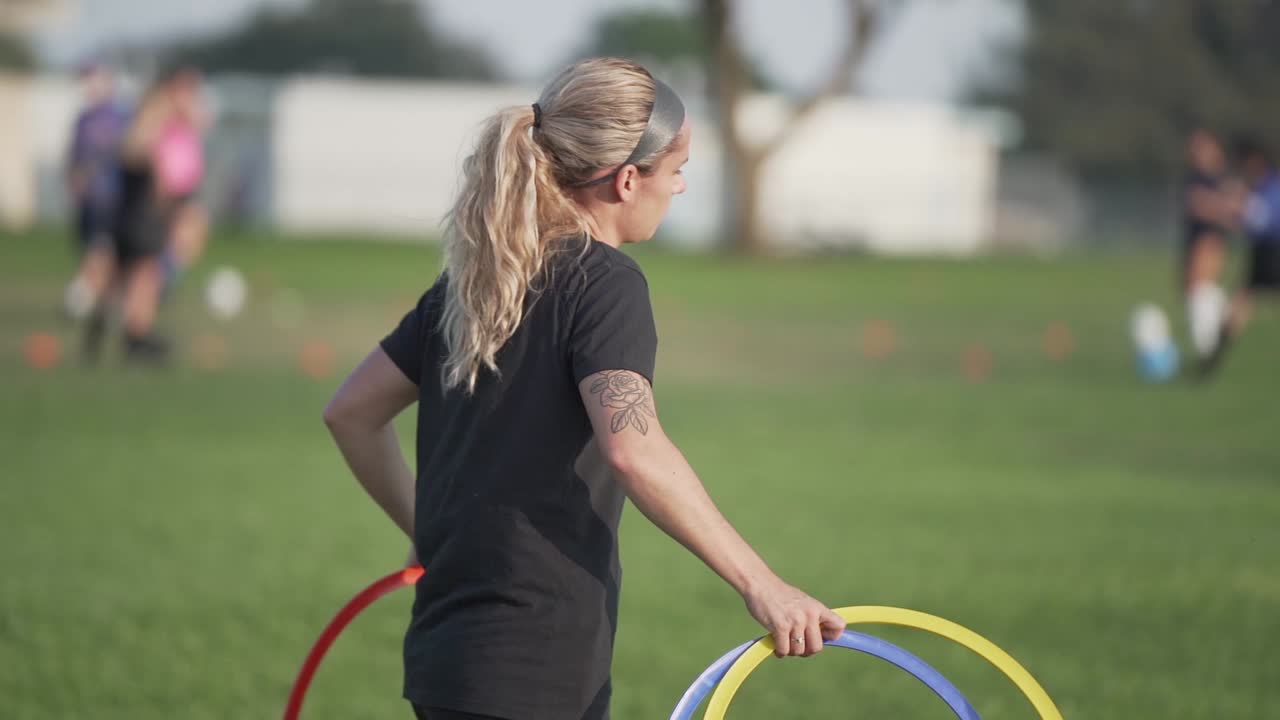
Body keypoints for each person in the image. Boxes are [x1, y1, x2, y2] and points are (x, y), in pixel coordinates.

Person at [323, 57, 846, 720]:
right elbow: (633, 449)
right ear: (628, 180)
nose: (681, 189)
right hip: (535, 666)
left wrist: (428, 528)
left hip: (445, 661)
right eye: (677, 171)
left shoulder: (474, 287)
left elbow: (351, 413)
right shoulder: (606, 285)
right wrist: (763, 585)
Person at [1201, 136, 1280, 375]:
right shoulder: (1259, 186)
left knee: (1241, 301)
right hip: (1262, 252)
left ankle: (1213, 360)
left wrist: (1226, 211)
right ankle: (1213, 359)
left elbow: (1261, 221)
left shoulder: (1270, 185)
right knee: (1240, 302)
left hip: (1273, 251)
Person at [62, 61, 130, 321]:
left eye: (94, 79)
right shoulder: (83, 119)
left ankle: (85, 297)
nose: (88, 85)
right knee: (92, 249)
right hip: (88, 200)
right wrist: (73, 178)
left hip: (112, 198)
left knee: (102, 250)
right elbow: (74, 157)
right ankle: (97, 299)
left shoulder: (120, 115)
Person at [1179, 129, 1237, 361]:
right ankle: (1221, 324)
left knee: (1199, 290)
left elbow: (1230, 207)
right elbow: (1197, 204)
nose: (1196, 153)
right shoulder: (1196, 178)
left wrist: (1214, 208)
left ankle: (1207, 346)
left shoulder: (1218, 179)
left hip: (1209, 240)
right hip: (1196, 239)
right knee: (1195, 290)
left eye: (1202, 147)